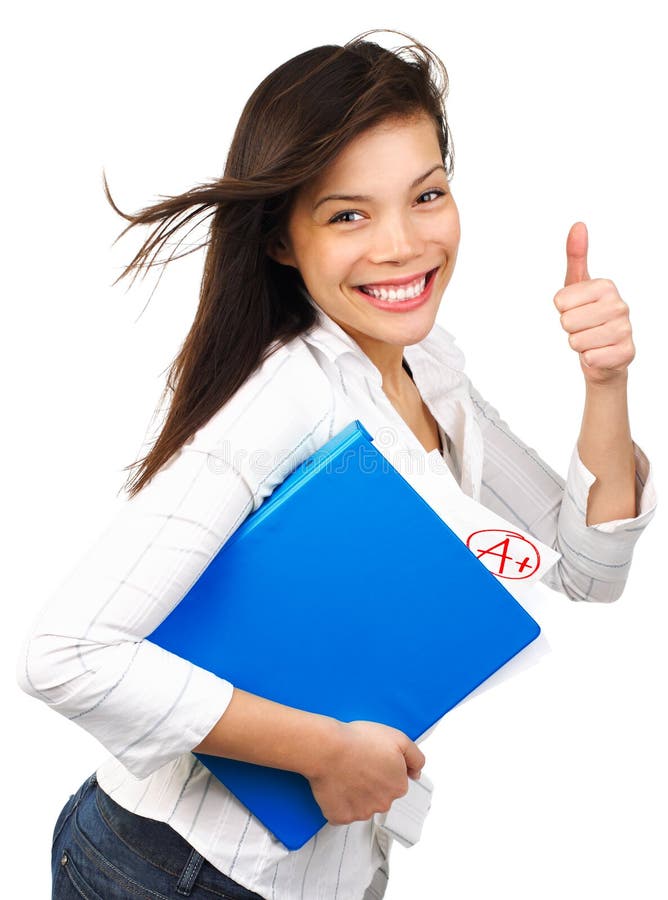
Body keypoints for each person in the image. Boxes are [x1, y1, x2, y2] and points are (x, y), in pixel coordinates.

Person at [17, 28, 657, 900]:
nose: (402, 245)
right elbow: (64, 654)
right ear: (283, 240)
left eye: (426, 195)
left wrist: (606, 382)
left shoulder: (430, 368)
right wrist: (325, 752)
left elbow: (587, 569)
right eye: (348, 214)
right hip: (176, 871)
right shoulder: (282, 399)